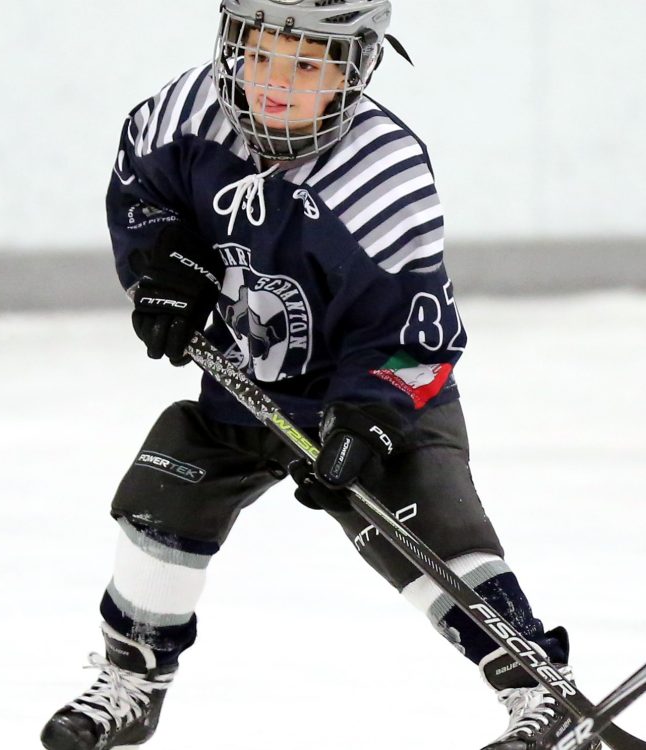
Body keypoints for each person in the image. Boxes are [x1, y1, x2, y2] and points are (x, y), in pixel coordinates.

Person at [40, 2, 600, 749]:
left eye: (306, 65)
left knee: (428, 522)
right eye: (259, 54)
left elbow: (415, 338)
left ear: (353, 69)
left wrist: (368, 419)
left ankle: (537, 690)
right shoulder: (186, 113)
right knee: (163, 493)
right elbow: (144, 192)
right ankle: (134, 681)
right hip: (246, 383)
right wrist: (166, 267)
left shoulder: (383, 175)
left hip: (367, 397)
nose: (273, 83)